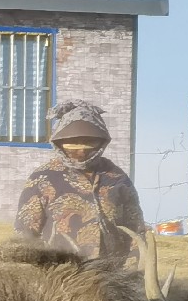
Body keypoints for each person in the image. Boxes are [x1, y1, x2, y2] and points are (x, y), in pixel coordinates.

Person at [13, 100, 145, 261]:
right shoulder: (42, 178)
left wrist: (134, 270)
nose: (81, 150)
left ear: (101, 142)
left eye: (89, 142)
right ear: (60, 143)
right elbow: (25, 234)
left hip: (111, 272)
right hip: (58, 272)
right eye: (73, 143)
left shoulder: (117, 179)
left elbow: (135, 231)